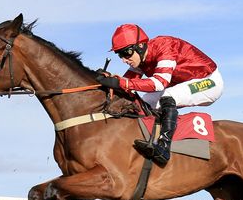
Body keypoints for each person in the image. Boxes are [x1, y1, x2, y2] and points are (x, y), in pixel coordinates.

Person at [96, 24, 224, 165]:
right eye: (120, 54)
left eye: (126, 53)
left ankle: (163, 146)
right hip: (182, 84)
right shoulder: (141, 58)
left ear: (140, 46)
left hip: (209, 81)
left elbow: (159, 83)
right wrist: (108, 79)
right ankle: (149, 139)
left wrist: (121, 83)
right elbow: (128, 84)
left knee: (168, 95)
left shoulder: (165, 46)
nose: (124, 60)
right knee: (143, 104)